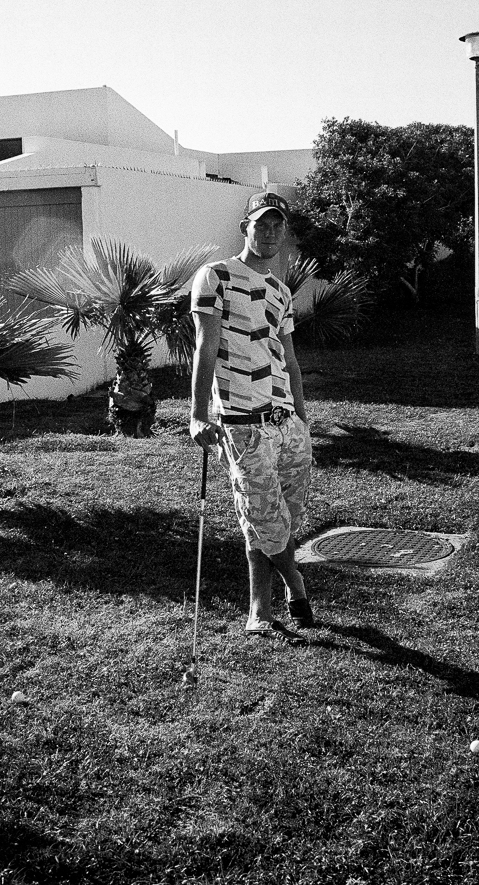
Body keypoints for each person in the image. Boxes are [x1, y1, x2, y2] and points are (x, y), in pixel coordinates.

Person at [190, 191, 315, 642]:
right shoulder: (216, 276)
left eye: (277, 225)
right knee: (265, 519)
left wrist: (302, 420)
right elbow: (205, 346)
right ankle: (295, 585)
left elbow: (290, 360)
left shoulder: (282, 291)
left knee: (279, 521)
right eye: (261, 224)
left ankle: (259, 609)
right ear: (245, 227)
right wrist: (198, 414)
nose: (269, 232)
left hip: (288, 423)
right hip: (244, 422)